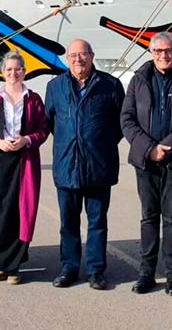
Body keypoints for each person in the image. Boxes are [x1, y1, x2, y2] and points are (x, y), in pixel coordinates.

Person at [121, 31, 172, 297]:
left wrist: (166, 148)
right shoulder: (138, 80)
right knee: (148, 217)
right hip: (145, 161)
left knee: (171, 218)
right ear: (151, 53)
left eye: (168, 51)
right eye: (158, 51)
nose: (163, 55)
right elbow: (127, 119)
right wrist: (149, 149)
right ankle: (146, 274)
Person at [44, 39, 125, 290]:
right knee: (68, 222)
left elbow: (122, 122)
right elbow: (49, 122)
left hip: (99, 164)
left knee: (97, 221)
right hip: (67, 164)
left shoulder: (110, 85)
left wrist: (98, 143)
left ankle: (96, 270)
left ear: (92, 55)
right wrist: (71, 142)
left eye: (83, 54)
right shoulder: (55, 86)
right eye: (73, 55)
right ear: (67, 59)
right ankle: (69, 267)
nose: (78, 59)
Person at [0, 50, 49, 285]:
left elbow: (43, 128)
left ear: (24, 71)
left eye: (18, 69)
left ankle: (14, 265)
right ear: (2, 72)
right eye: (9, 69)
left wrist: (27, 140)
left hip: (24, 161)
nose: (13, 73)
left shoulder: (33, 98)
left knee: (20, 211)